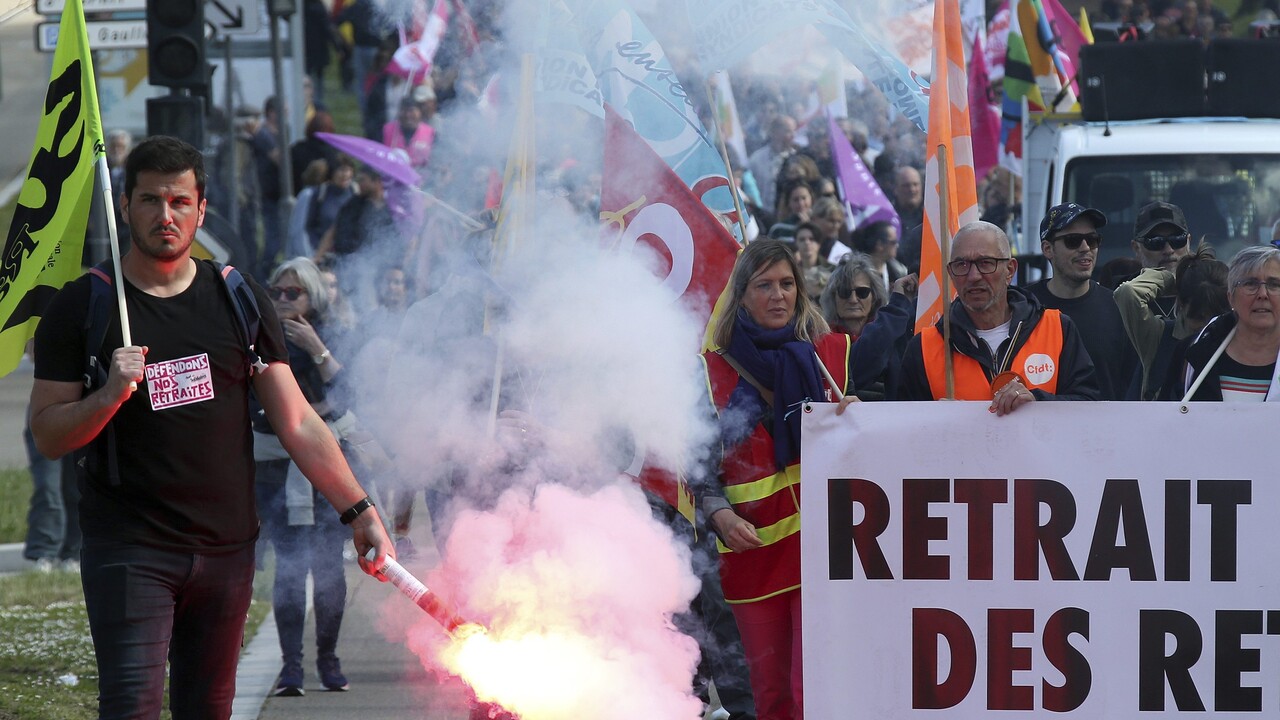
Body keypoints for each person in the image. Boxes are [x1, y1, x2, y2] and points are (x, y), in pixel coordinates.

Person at [28, 136, 393, 719]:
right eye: (150, 200)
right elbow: (48, 435)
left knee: (208, 711)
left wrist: (360, 510)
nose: (164, 216)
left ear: (201, 210)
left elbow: (297, 421)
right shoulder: (84, 306)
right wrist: (109, 396)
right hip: (131, 550)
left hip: (226, 552)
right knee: (132, 708)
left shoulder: (238, 297)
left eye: (179, 202)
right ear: (125, 206)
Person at [700, 239, 851, 720]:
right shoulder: (710, 372)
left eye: (787, 284)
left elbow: (878, 446)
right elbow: (693, 464)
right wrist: (719, 514)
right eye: (764, 285)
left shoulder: (833, 354)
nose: (778, 295)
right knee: (771, 698)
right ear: (741, 295)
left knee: (816, 692)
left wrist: (863, 420)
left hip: (825, 554)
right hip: (753, 557)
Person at [255, 257, 362, 696]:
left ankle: (328, 659)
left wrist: (317, 348)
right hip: (275, 468)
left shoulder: (334, 333)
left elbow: (351, 393)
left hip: (324, 465)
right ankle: (291, 666)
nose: (282, 300)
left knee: (328, 568)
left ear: (313, 297)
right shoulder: (259, 332)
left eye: (292, 293)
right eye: (276, 292)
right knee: (289, 570)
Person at [898, 221, 1101, 412]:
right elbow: (904, 428)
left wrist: (1038, 401)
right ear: (950, 273)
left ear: (1010, 270)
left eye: (986, 263)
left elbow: (1089, 406)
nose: (973, 276)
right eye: (961, 265)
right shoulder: (924, 347)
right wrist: (935, 419)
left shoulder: (1057, 328)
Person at [1026, 202, 1138, 400]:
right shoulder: (1024, 307)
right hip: (1037, 427)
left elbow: (1132, 386)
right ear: (1047, 249)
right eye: (1073, 240)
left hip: (1106, 428)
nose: (1086, 248)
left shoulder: (1118, 307)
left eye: (1092, 240)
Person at [1114, 201, 1198, 398]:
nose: (1168, 249)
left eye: (1177, 240)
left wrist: (1188, 280)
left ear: (1188, 241)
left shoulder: (1206, 293)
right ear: (1136, 247)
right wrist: (1173, 278)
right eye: (1155, 242)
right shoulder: (1114, 295)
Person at [1179, 245, 1280, 401]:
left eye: (1274, 284)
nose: (1262, 294)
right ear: (1230, 297)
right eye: (1250, 284)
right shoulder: (1195, 353)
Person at [818, 254, 916, 401]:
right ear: (834, 297)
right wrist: (896, 307)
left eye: (862, 292)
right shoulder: (823, 342)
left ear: (874, 297)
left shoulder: (893, 336)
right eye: (845, 292)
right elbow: (859, 366)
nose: (853, 299)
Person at [851, 220, 907, 289]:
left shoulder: (899, 272)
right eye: (893, 242)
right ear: (879, 245)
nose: (897, 245)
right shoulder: (855, 271)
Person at [790, 222, 833, 303]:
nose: (807, 243)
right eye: (802, 239)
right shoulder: (790, 271)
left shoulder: (832, 270)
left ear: (819, 243)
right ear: (796, 243)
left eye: (811, 239)